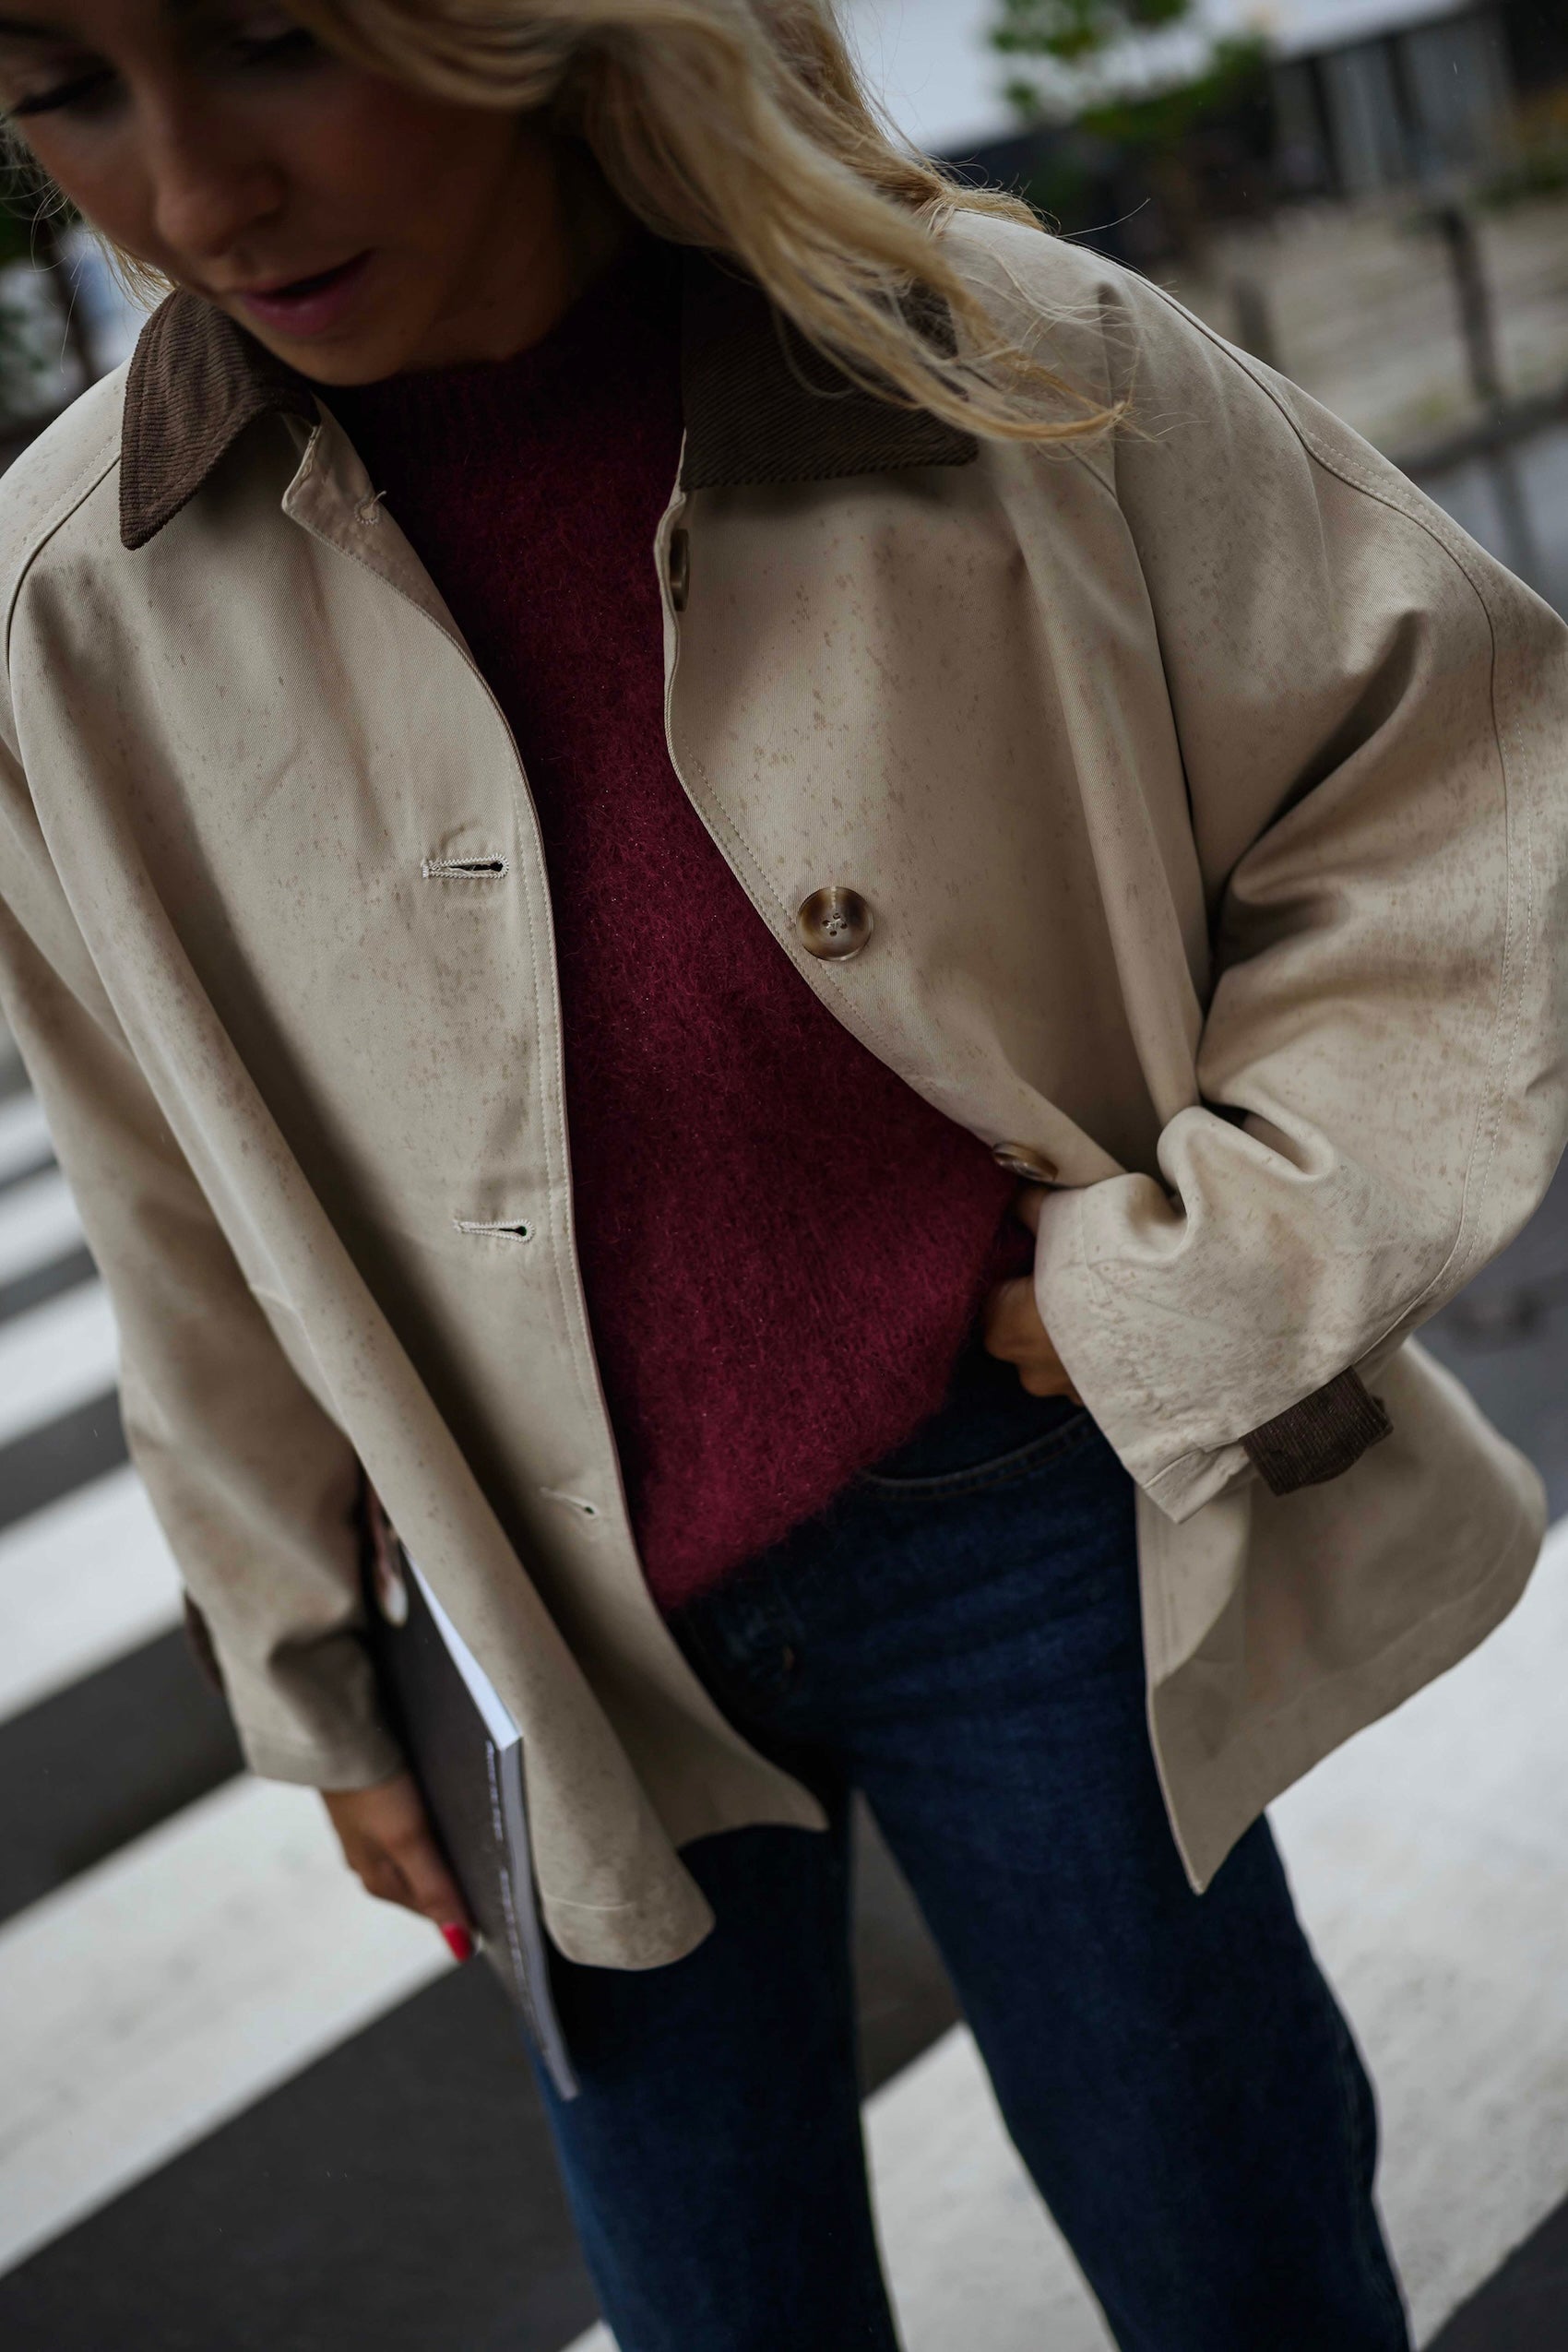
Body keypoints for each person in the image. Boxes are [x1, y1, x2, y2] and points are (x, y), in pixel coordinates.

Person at [1, 3, 1563, 2345]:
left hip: (1022, 1530)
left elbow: (1462, 801)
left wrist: (1193, 1269)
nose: (193, 194)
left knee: (1231, 2239)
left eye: (273, 40)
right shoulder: (70, 593)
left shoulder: (985, 358)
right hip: (543, 1627)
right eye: (63, 81)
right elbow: (166, 1189)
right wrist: (309, 1673)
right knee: (711, 2301)